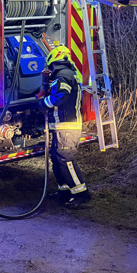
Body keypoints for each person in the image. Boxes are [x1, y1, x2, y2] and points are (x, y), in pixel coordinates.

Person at [40, 44, 91, 209]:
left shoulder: (63, 75)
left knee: (65, 158)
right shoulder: (66, 74)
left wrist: (43, 103)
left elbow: (59, 98)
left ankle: (81, 194)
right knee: (56, 158)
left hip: (67, 126)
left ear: (53, 59)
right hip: (61, 126)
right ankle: (64, 190)